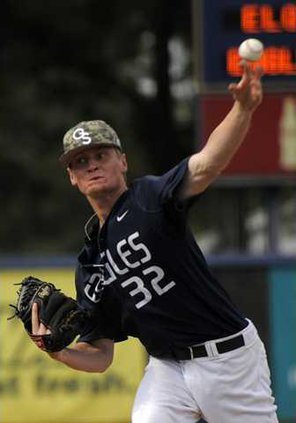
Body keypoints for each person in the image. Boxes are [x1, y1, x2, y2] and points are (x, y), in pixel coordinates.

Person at [32, 61, 278, 423]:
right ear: (72, 177)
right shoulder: (90, 262)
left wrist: (242, 109)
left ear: (123, 162)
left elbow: (207, 164)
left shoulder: (148, 198)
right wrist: (58, 351)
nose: (92, 165)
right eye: (81, 161)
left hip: (228, 361)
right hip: (167, 369)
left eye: (101, 155)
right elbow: (100, 354)